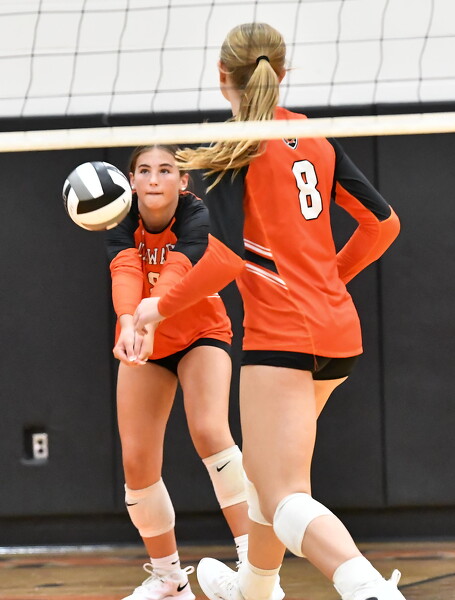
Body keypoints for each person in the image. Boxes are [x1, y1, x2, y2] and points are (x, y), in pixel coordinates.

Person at [132, 22, 406, 600]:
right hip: (338, 331)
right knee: (265, 476)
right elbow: (383, 225)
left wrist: (158, 307)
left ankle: (370, 589)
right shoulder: (315, 138)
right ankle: (255, 589)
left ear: (222, 75)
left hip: (282, 338)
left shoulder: (235, 146)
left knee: (283, 496)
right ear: (282, 74)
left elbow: (225, 260)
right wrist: (329, 278)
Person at [105, 145, 251, 600]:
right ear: (131, 181)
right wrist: (128, 322)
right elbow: (125, 270)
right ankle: (170, 580)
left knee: (209, 430)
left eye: (165, 170)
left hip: (200, 333)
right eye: (145, 170)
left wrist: (151, 317)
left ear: (182, 181)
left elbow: (177, 270)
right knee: (136, 462)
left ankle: (256, 567)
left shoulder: (195, 214)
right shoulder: (121, 218)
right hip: (147, 339)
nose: (154, 179)